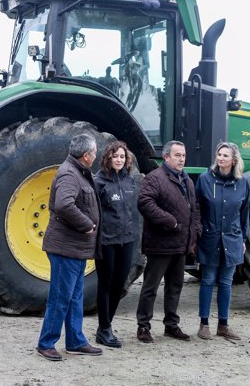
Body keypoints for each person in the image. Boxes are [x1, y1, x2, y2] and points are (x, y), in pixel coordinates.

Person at [36, 134, 103, 361]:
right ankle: (46, 343)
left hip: (75, 249)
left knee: (75, 297)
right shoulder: (69, 174)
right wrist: (86, 225)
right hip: (66, 248)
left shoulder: (78, 171)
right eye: (94, 153)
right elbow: (65, 204)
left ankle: (75, 341)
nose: (96, 156)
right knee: (60, 297)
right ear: (86, 155)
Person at [135, 140, 201, 343]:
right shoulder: (155, 178)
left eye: (183, 155)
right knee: (150, 287)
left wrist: (195, 230)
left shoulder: (187, 180)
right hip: (160, 244)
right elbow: (144, 202)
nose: (181, 159)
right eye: (177, 155)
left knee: (175, 286)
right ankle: (143, 327)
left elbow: (194, 207)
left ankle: (171, 325)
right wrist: (169, 221)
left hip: (181, 244)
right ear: (166, 157)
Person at [195, 142, 250, 341]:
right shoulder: (205, 180)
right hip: (210, 238)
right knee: (208, 280)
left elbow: (244, 214)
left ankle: (223, 325)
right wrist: (198, 234)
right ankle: (204, 324)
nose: (221, 158)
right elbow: (197, 209)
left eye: (225, 156)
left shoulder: (242, 183)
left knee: (226, 282)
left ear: (234, 160)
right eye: (219, 154)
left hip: (232, 240)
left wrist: (243, 238)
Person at [93, 140, 137, 348]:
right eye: (115, 156)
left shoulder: (129, 181)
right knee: (106, 284)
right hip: (106, 240)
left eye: (122, 156)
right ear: (107, 158)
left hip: (126, 240)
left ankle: (106, 325)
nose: (119, 160)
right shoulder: (99, 181)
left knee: (120, 284)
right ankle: (104, 328)